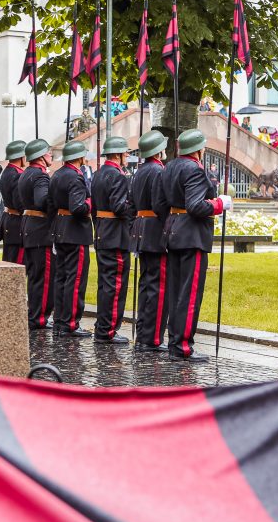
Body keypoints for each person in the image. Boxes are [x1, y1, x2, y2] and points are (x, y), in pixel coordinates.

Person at [160, 129, 232, 362]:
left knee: (175, 292)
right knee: (189, 294)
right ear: (198, 149)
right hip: (192, 236)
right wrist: (220, 203)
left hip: (173, 231)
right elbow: (196, 206)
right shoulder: (194, 170)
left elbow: (161, 203)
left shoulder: (170, 167)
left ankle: (174, 341)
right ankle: (182, 346)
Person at [91, 137, 136, 344]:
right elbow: (119, 207)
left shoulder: (99, 174)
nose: (127, 156)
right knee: (115, 285)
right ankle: (107, 330)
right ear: (117, 154)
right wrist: (133, 212)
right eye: (125, 153)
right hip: (116, 236)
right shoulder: (118, 176)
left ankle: (102, 325)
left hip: (102, 232)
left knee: (105, 283)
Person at [130, 130, 170, 352]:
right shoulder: (157, 171)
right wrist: (169, 224)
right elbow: (160, 204)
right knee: (158, 287)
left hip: (141, 230)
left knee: (146, 284)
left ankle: (143, 333)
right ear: (158, 151)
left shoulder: (140, 171)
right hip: (155, 231)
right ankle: (152, 338)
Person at [50, 140, 93, 338]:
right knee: (75, 279)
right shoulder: (76, 177)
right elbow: (78, 207)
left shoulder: (57, 174)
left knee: (61, 277)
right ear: (79, 157)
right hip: (75, 231)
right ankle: (71, 323)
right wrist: (89, 203)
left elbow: (51, 203)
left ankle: (59, 319)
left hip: (60, 228)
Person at [18, 139, 57, 330]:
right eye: (48, 152)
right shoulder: (41, 177)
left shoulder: (26, 174)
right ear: (41, 156)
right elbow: (42, 201)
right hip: (41, 229)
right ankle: (39, 317)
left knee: (35, 276)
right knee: (44, 276)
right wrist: (55, 203)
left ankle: (34, 313)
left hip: (29, 227)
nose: (51, 155)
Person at [0, 140, 26, 264]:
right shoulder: (17, 175)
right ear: (21, 156)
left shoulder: (7, 172)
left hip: (9, 220)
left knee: (9, 260)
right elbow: (19, 203)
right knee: (17, 263)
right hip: (17, 222)